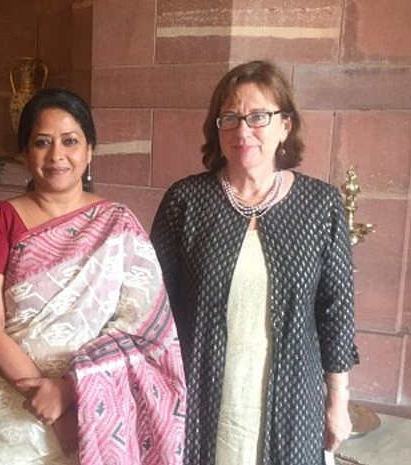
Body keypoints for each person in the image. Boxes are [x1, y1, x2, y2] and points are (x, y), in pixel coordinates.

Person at [150, 60, 358, 465]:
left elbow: (337, 310)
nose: (242, 131)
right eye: (229, 118)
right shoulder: (186, 202)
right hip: (201, 396)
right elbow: (154, 309)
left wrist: (338, 400)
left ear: (286, 125)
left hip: (293, 402)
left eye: (258, 116)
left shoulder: (321, 205)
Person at [0, 88, 186, 465]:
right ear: (23, 152)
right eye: (42, 142)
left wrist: (69, 394)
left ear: (89, 151)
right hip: (10, 406)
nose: (57, 156)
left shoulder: (118, 223)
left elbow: (144, 327)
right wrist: (45, 399)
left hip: (95, 405)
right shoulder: (1, 219)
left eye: (70, 141)